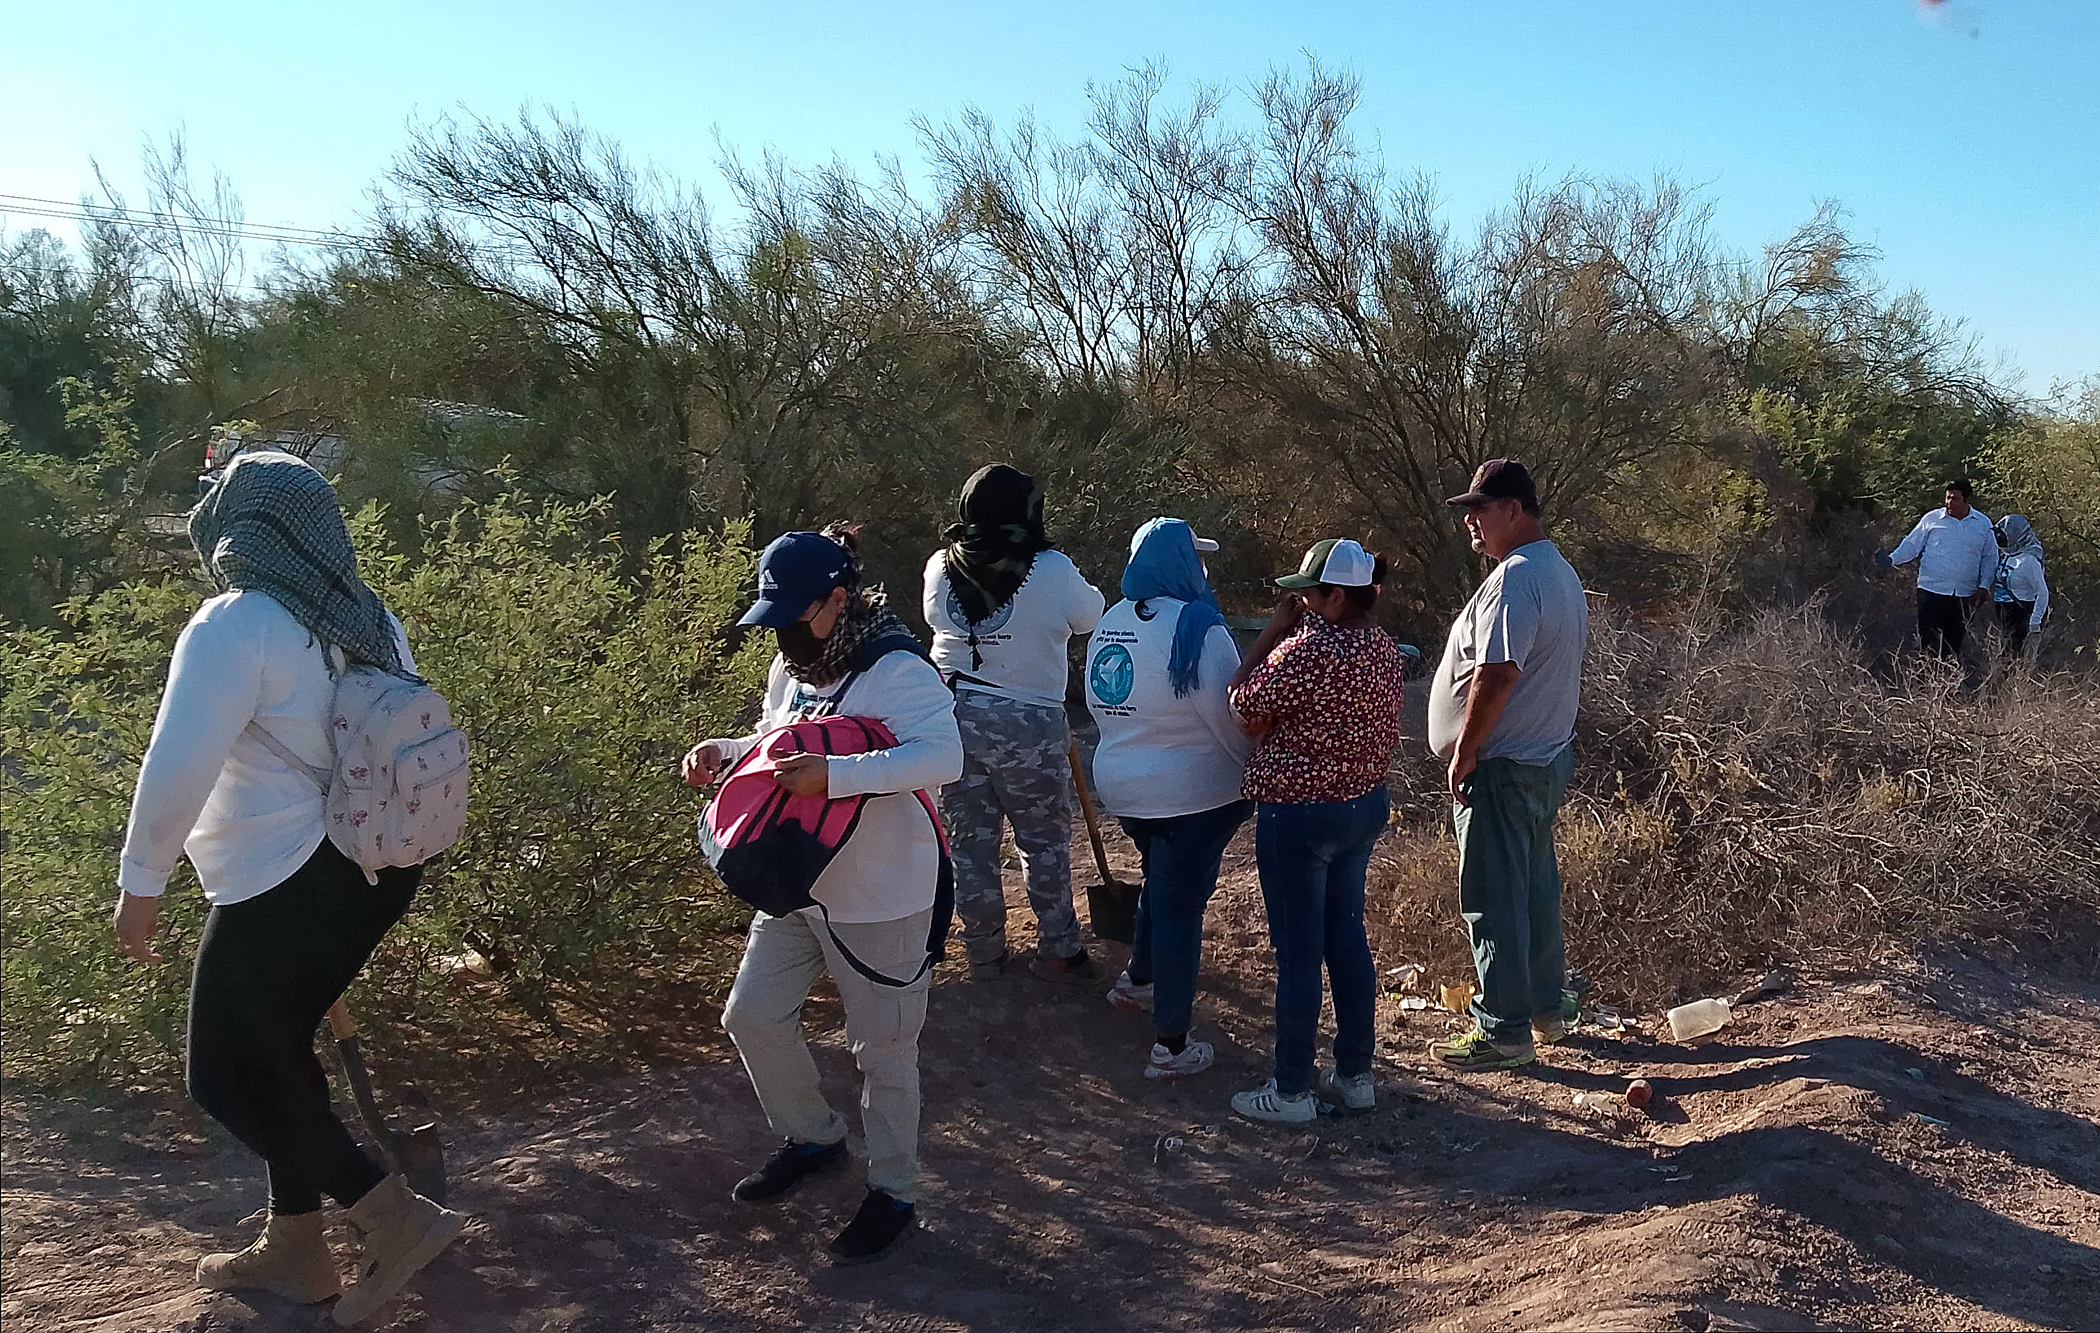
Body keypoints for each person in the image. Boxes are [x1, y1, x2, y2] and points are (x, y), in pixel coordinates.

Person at [109, 451, 464, 1325]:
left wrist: (140, 879)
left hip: (288, 880)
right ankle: (296, 1247)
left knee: (223, 1072)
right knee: (278, 1049)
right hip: (378, 868)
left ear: (242, 525)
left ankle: (392, 1216)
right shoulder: (369, 614)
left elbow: (178, 761)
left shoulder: (236, 624)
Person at [688, 525, 962, 1265]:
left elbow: (946, 756)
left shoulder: (897, 667)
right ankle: (814, 1136)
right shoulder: (794, 666)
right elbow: (775, 740)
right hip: (802, 885)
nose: (780, 633)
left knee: (884, 1052)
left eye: (792, 615)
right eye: (771, 617)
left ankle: (895, 1189)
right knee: (751, 1016)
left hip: (884, 898)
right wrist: (726, 751)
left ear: (838, 600)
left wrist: (835, 776)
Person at [1226, 538, 1405, 1124]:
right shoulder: (1382, 649)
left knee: (1298, 956)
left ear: (1333, 596)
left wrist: (1273, 633)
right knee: (1346, 942)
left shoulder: (1305, 651)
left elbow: (1242, 706)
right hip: (1361, 807)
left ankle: (1291, 1090)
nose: (1300, 602)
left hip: (1300, 814)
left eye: (1308, 593)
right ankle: (1354, 1075)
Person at [1425, 459, 1590, 1073]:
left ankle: (1504, 1030)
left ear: (1514, 511)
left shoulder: (1517, 577)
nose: (1470, 520)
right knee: (1534, 888)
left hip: (1504, 764)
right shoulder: (1555, 571)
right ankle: (1547, 1007)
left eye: (1480, 508)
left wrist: (1466, 751)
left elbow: (1498, 672)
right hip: (1541, 759)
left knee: (1493, 896)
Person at [922, 464, 1106, 983]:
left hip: (951, 714)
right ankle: (1059, 947)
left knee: (970, 839)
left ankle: (983, 951)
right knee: (1042, 838)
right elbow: (1090, 613)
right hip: (1027, 717)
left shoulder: (939, 565)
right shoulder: (1048, 568)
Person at [1085, 519, 1253, 1080]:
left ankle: (1138, 978)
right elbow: (1230, 716)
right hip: (1193, 795)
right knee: (1182, 905)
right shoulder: (1199, 628)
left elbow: (1098, 703)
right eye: (1197, 557)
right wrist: (1251, 768)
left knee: (1162, 879)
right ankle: (1171, 1043)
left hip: (1124, 789)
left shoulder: (1110, 622)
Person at [1881, 478, 1997, 661]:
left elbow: (1990, 557)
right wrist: (1891, 559)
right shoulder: (1932, 519)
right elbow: (1911, 546)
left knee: (1954, 645)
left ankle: (1948, 685)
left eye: (1955, 498)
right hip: (1931, 591)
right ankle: (1926, 685)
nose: (1949, 503)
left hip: (1964, 595)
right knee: (1929, 644)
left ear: (1967, 500)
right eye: (1948, 497)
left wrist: (1984, 586)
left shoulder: (1983, 524)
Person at [1989, 514, 2050, 659]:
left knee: (2012, 656)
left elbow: (2042, 592)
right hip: (2004, 613)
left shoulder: (2028, 560)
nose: (2000, 539)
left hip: (2020, 614)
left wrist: (2035, 622)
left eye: (2004, 536)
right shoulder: (2007, 555)